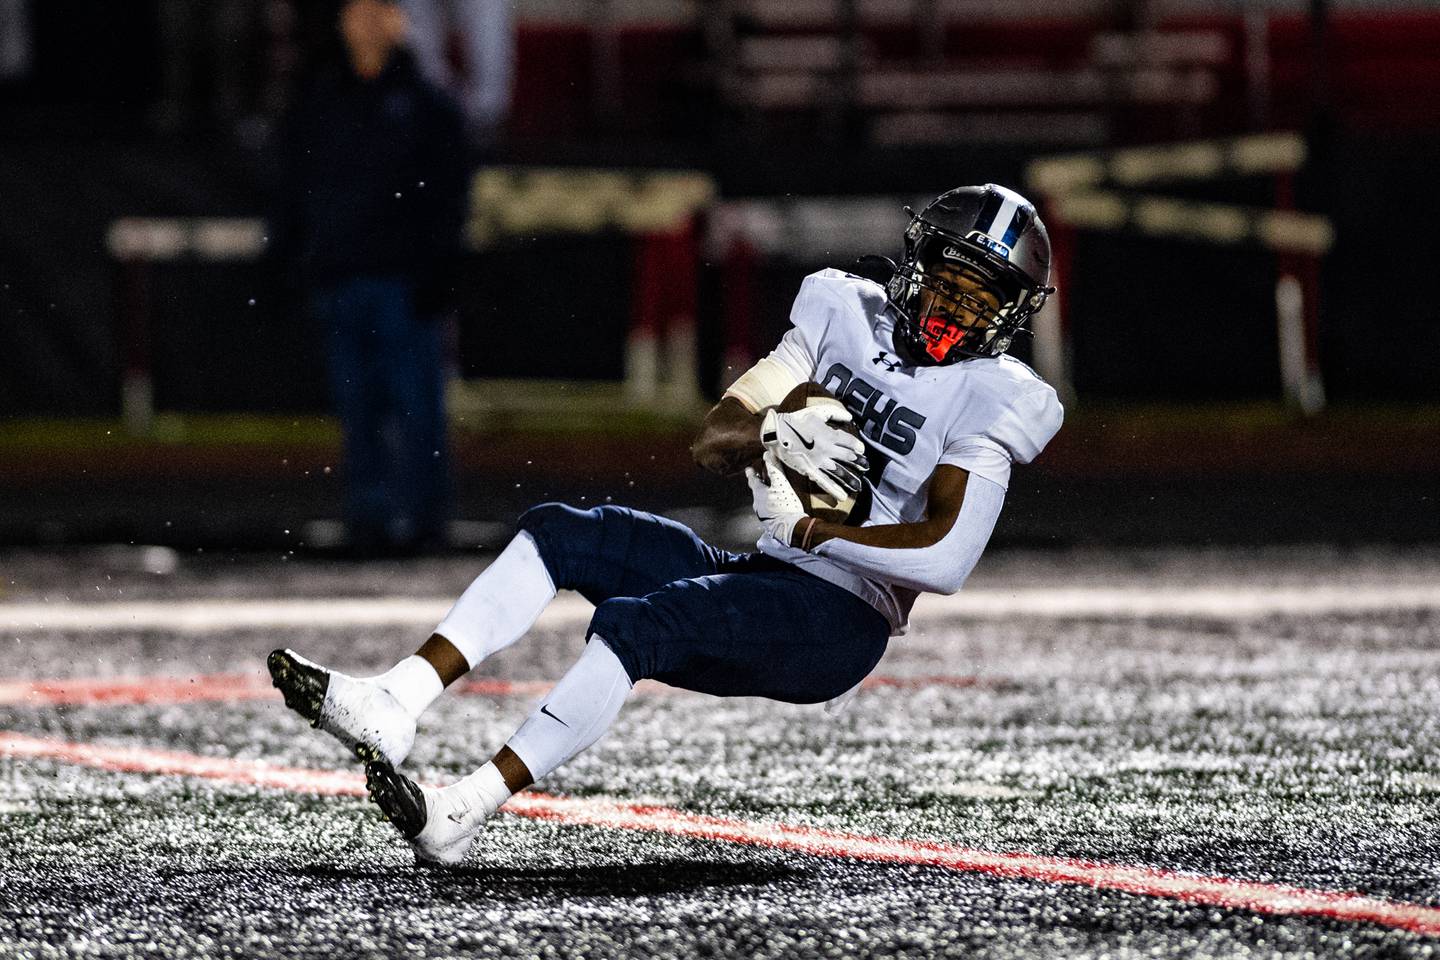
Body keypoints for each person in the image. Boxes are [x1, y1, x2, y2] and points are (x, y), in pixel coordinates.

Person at [269, 184, 1065, 865]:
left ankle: (461, 810)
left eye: (983, 298)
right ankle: (396, 701)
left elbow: (947, 557)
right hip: (771, 570)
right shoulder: (841, 312)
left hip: (841, 618)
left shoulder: (994, 397)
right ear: (918, 266)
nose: (958, 311)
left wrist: (815, 534)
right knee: (565, 531)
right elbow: (717, 435)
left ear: (1010, 315)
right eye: (953, 282)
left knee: (643, 622)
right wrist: (772, 436)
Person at [278, 0, 468, 555]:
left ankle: (424, 518)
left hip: (404, 282)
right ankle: (370, 518)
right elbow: (297, 186)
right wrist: (296, 257)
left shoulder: (427, 105)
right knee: (358, 410)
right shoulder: (322, 102)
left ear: (397, 20)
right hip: (343, 277)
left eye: (377, 10)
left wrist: (440, 269)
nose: (365, 25)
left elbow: (449, 196)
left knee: (417, 407)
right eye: (356, 11)